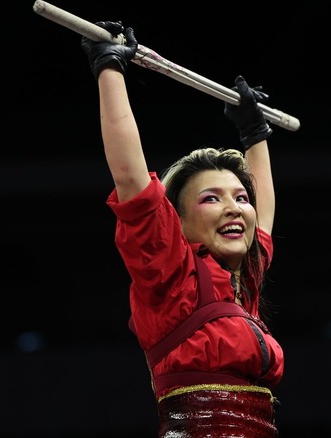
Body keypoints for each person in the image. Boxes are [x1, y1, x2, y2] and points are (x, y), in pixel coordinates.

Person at [81, 20, 285, 437]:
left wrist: (254, 133)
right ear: (177, 222)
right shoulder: (172, 276)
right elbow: (131, 179)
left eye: (239, 198)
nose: (234, 209)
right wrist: (109, 68)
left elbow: (261, 218)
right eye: (212, 198)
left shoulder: (243, 286)